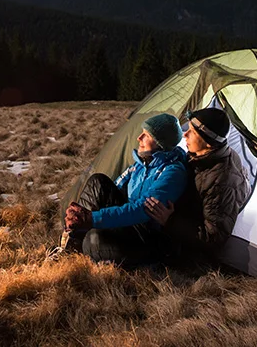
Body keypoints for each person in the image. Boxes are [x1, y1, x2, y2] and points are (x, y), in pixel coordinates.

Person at [63, 113, 188, 266]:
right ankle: (71, 240)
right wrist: (84, 216)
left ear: (161, 143)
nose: (139, 138)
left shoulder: (172, 172)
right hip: (130, 228)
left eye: (147, 135)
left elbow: (143, 210)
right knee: (98, 182)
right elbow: (113, 190)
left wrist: (93, 218)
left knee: (95, 238)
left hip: (149, 239)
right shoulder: (139, 166)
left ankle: (79, 245)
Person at [144, 107, 249, 265]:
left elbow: (213, 237)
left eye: (192, 132)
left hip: (184, 248)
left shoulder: (222, 181)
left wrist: (170, 221)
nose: (185, 134)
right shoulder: (202, 156)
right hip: (174, 226)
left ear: (208, 143)